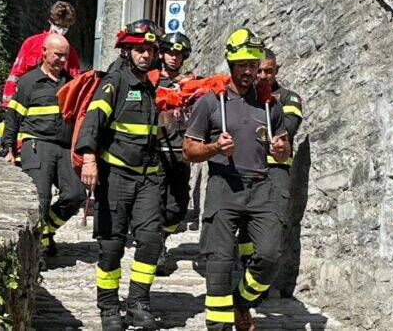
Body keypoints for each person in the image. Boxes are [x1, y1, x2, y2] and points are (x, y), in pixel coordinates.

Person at [183, 28, 290, 330]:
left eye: (253, 65)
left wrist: (282, 148)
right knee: (218, 264)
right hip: (224, 186)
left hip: (261, 186)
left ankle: (241, 304)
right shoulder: (210, 102)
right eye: (242, 64)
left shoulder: (269, 105)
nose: (248, 71)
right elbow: (189, 151)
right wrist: (215, 147)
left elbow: (283, 151)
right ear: (231, 64)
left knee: (270, 255)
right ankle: (217, 326)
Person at [74, 19, 163, 331]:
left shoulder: (153, 84)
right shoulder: (115, 81)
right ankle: (109, 307)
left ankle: (139, 303)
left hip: (149, 177)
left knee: (151, 241)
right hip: (117, 176)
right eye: (139, 49)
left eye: (150, 49)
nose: (145, 55)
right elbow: (93, 120)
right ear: (127, 51)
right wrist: (88, 159)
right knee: (111, 246)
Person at [0, 33, 86, 257]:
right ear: (44, 53)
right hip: (37, 145)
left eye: (66, 56)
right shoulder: (29, 82)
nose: (62, 60)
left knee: (75, 195)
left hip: (65, 147)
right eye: (58, 55)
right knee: (41, 198)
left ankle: (46, 231)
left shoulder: (72, 82)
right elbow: (12, 118)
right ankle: (38, 252)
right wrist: (8, 148)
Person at [237, 47, 304, 289]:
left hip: (275, 171)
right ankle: (247, 267)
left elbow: (287, 128)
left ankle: (259, 283)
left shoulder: (288, 98)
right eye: (260, 70)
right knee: (245, 224)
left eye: (269, 71)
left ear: (276, 71)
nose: (264, 76)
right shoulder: (245, 97)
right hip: (246, 168)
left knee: (273, 225)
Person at [0, 1, 82, 156]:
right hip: (26, 101)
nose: (61, 31)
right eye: (58, 25)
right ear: (50, 22)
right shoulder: (32, 43)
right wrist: (8, 102)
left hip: (50, 109)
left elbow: (75, 81)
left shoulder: (68, 52)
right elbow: (16, 73)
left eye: (65, 27)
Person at [154, 32, 194, 274]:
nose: (173, 57)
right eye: (170, 52)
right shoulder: (151, 80)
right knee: (156, 202)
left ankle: (162, 236)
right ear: (162, 53)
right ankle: (156, 246)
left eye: (178, 54)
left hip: (181, 151)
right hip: (157, 150)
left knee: (177, 208)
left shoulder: (189, 84)